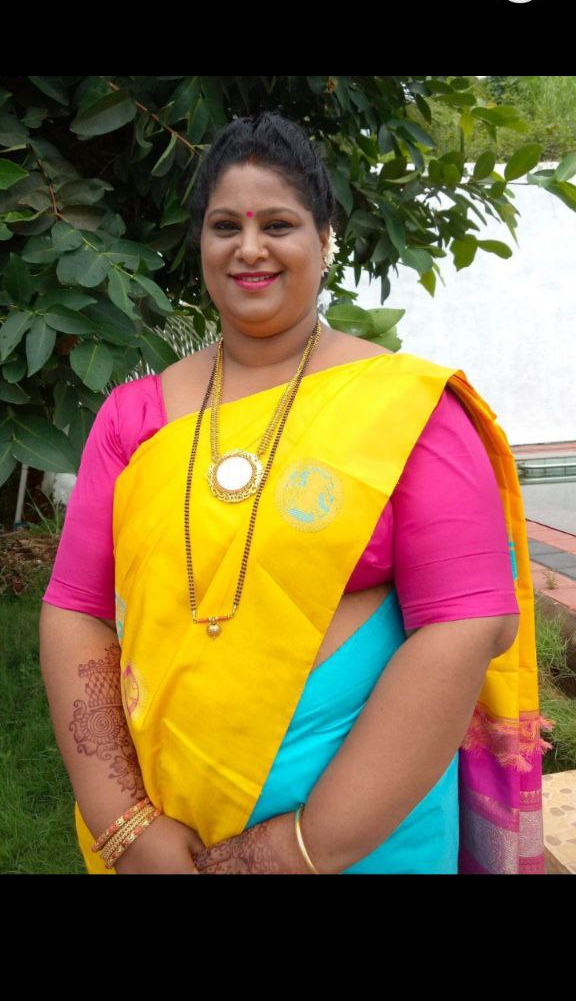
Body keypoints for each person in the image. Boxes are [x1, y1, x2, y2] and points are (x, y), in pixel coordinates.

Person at [40, 111, 551, 875]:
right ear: (201, 243)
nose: (250, 248)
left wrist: (300, 847)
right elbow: (75, 608)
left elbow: (468, 625)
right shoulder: (134, 417)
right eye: (225, 226)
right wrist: (124, 823)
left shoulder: (408, 411)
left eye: (277, 224)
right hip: (167, 830)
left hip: (367, 841)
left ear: (325, 239)